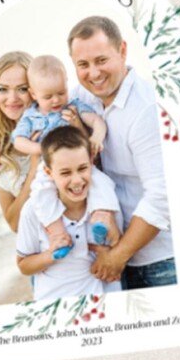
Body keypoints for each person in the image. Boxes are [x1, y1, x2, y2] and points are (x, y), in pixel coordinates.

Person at [67, 15, 174, 289]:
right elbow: (39, 103)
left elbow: (162, 197)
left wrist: (117, 256)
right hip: (114, 258)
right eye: (83, 64)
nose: (94, 73)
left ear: (122, 50)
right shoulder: (84, 95)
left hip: (160, 262)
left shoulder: (146, 110)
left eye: (101, 60)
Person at [11, 54, 121, 256]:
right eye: (48, 96)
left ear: (67, 85)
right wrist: (40, 149)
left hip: (79, 165)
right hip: (50, 169)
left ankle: (101, 216)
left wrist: (96, 136)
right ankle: (57, 234)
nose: (56, 100)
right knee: (40, 193)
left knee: (102, 182)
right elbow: (18, 141)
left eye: (61, 92)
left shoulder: (73, 106)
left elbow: (96, 120)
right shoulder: (30, 116)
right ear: (33, 94)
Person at [16, 126, 123, 301]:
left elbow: (119, 246)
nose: (77, 180)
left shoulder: (105, 204)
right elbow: (23, 265)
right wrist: (50, 254)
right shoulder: (33, 210)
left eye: (82, 169)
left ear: (91, 162)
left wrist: (110, 249)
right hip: (54, 301)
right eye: (65, 173)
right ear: (49, 173)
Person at [0, 51, 37, 232]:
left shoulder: (57, 125)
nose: (12, 98)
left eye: (22, 89)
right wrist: (35, 168)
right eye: (3, 89)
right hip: (41, 253)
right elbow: (15, 224)